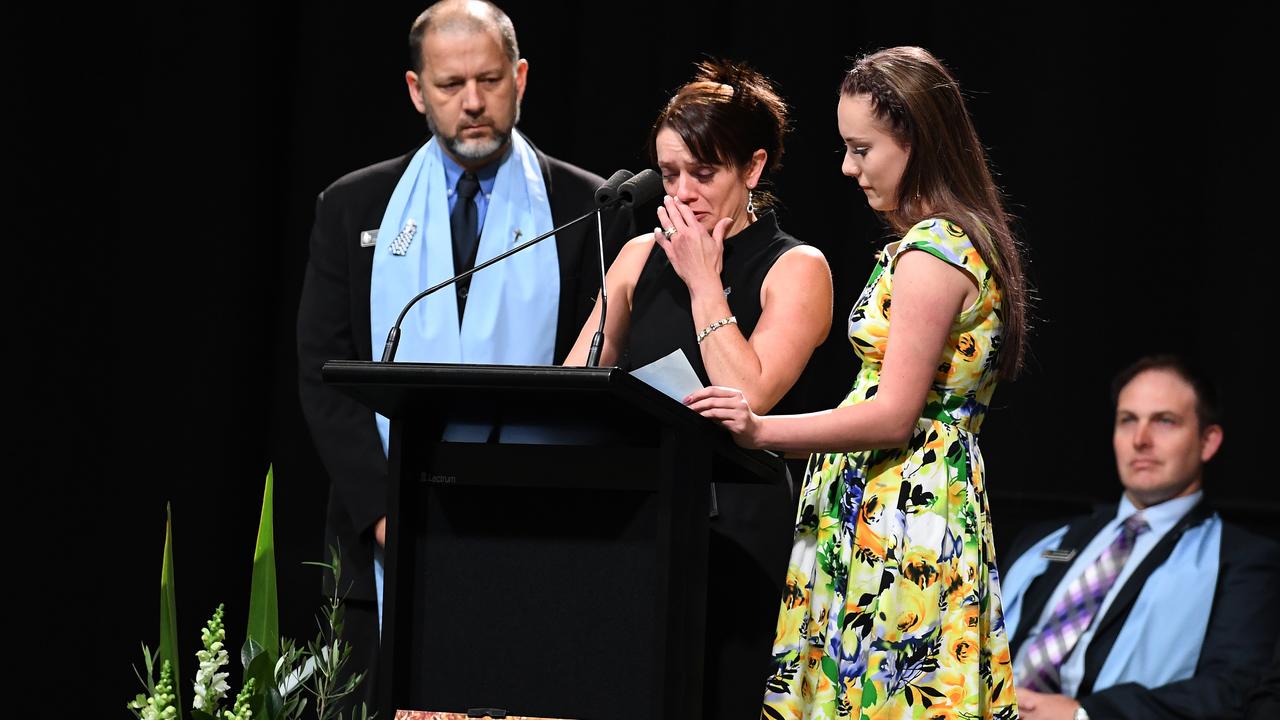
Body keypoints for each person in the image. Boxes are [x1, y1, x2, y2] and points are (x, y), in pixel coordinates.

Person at [296, 0, 634, 702]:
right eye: (450, 85)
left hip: (534, 536)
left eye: (489, 79)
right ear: (418, 90)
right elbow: (323, 374)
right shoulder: (354, 207)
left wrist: (524, 512)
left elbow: (600, 377)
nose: (473, 102)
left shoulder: (587, 207)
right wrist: (388, 515)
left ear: (522, 77)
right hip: (377, 541)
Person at [686, 46, 1029, 718]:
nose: (848, 168)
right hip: (882, 509)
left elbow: (894, 415)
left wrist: (761, 430)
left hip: (902, 520)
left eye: (862, 149)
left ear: (916, 140)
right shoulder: (930, 243)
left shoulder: (935, 251)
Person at [563, 61, 833, 719]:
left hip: (735, 538)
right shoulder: (635, 256)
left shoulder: (796, 268)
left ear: (754, 167)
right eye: (670, 173)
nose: (682, 192)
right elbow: (572, 387)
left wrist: (704, 283)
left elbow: (751, 393)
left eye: (703, 173)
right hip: (636, 526)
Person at [1000, 356, 1280, 720]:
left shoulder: (1243, 560)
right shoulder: (1045, 539)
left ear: (1208, 441)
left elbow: (1230, 689)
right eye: (1127, 420)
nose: (1140, 439)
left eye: (1165, 421)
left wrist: (1083, 715)